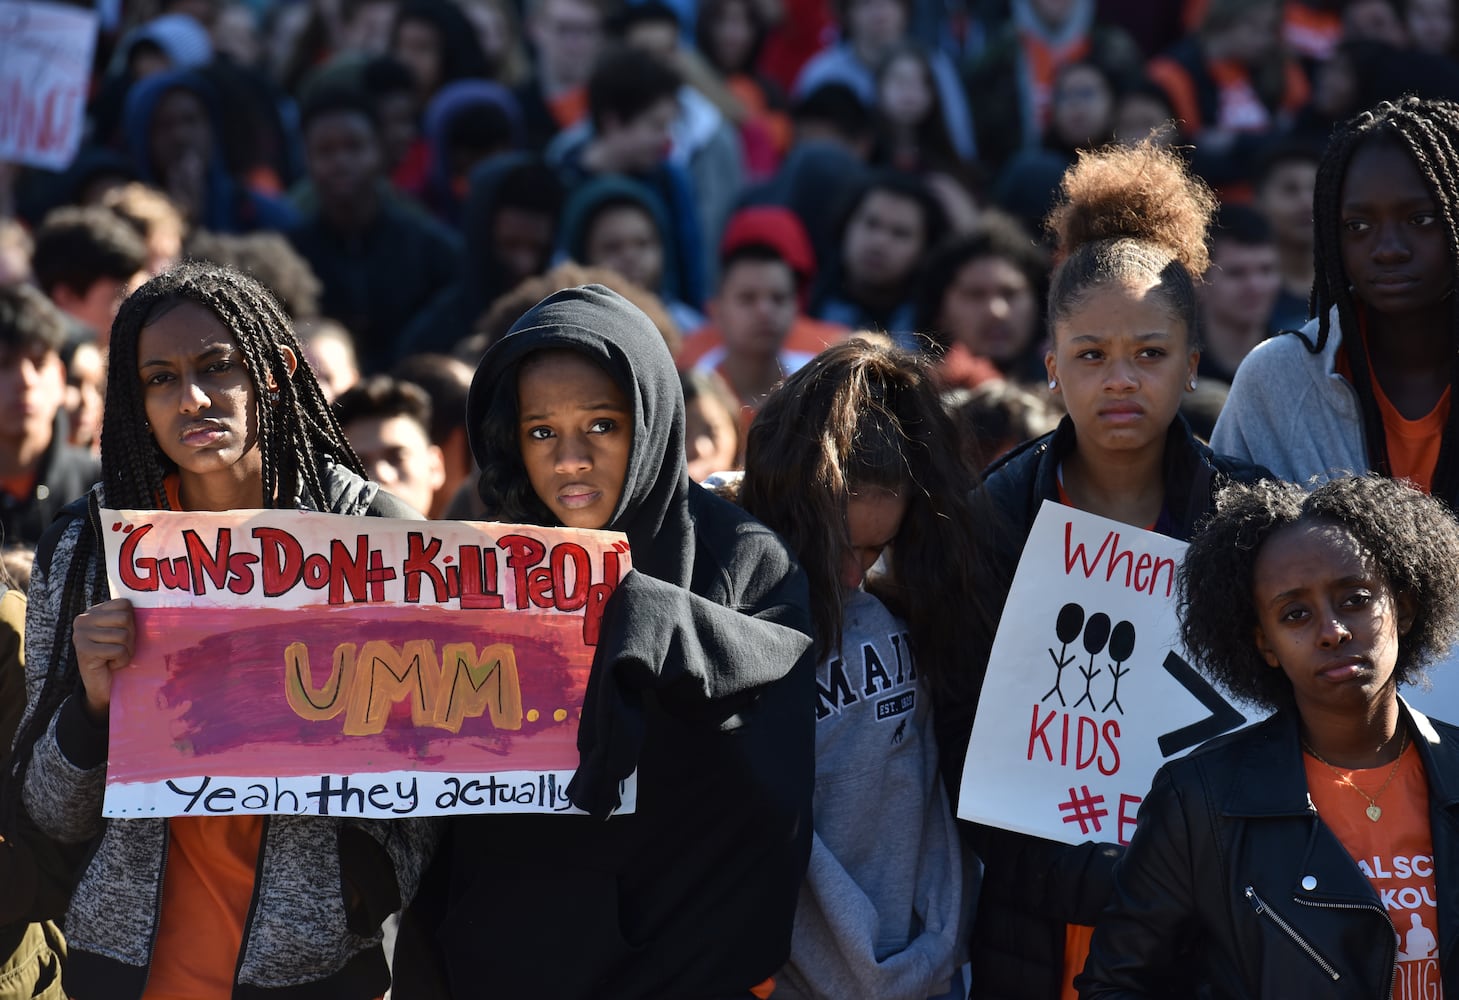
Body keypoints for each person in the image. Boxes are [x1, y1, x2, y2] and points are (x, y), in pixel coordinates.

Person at [3, 261, 436, 998]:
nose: (192, 398)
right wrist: (94, 708)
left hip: (316, 975)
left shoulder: (373, 535)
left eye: (216, 367)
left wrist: (358, 890)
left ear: (276, 370)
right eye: (160, 379)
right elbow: (48, 812)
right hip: (123, 972)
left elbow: (441, 767)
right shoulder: (86, 549)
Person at [402, 283, 816, 997]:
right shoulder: (470, 569)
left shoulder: (745, 560)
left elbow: (773, 797)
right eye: (540, 432)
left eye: (600, 425)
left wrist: (654, 631)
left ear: (651, 419)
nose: (568, 460)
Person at [938, 139, 1267, 1000]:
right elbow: (960, 741)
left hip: (1214, 930)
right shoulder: (993, 518)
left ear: (1193, 364)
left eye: (1150, 354)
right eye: (1090, 355)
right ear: (1049, 367)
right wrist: (1100, 883)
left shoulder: (1253, 522)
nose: (1120, 380)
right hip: (1035, 931)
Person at [1078, 475, 1459, 997]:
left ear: (1406, 606)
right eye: (1295, 614)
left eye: (1355, 598)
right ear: (1265, 645)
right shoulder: (1200, 803)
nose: (1332, 630)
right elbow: (1116, 986)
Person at [740, 339, 983, 999]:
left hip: (930, 974)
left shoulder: (904, 612)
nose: (855, 572)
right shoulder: (732, 619)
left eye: (877, 548)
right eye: (840, 545)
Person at [1212, 97, 1459, 502]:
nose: (1388, 249)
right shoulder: (1274, 380)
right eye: (1358, 225)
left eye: (1420, 219)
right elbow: (1220, 555)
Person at [0, 287, 100, 551]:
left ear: (59, 376)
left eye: (39, 363)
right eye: (4, 365)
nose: (26, 381)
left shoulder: (103, 489)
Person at [336, 374, 447, 517]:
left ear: (435, 466)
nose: (380, 475)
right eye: (358, 465)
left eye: (397, 457)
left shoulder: (478, 538)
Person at [1197, 204, 1282, 384]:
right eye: (1236, 273)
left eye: (1266, 270)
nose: (1256, 286)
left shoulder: (1296, 360)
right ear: (1198, 281)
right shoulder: (1175, 370)